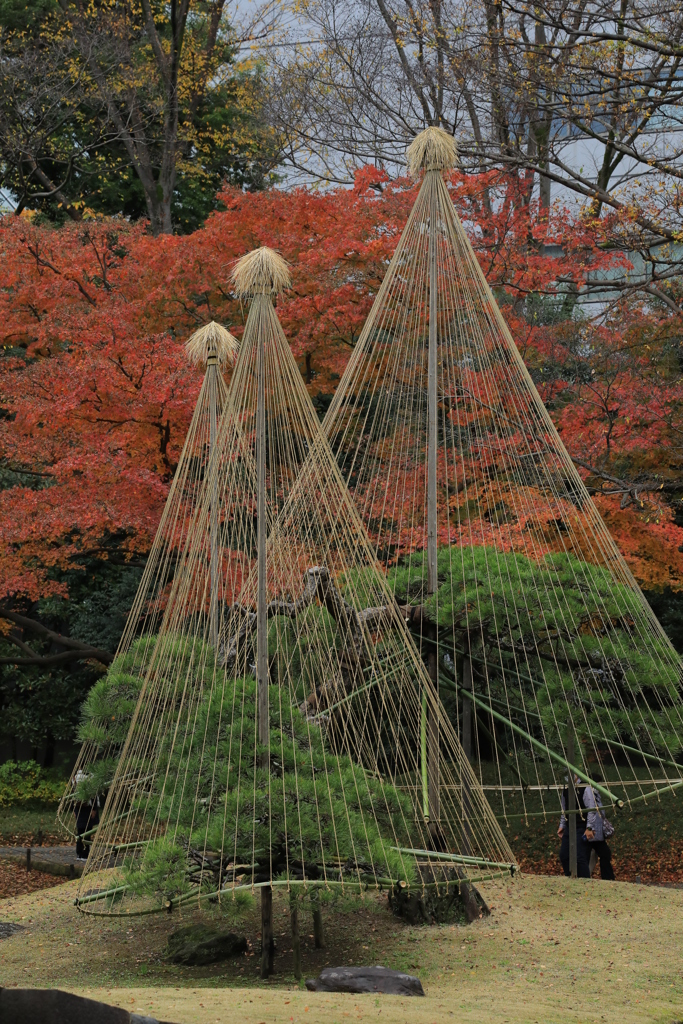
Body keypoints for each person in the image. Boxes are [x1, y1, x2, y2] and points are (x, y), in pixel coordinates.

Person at [582, 775, 615, 881]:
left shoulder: (596, 795)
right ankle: (584, 876)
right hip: (591, 831)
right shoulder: (588, 793)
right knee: (588, 855)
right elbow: (591, 811)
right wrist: (590, 827)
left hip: (597, 833)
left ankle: (607, 877)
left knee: (604, 854)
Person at [558, 775, 591, 878]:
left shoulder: (585, 787)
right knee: (564, 855)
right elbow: (564, 809)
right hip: (569, 826)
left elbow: (592, 809)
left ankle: (585, 880)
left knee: (579, 856)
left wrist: (589, 827)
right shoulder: (566, 789)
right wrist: (562, 825)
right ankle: (570, 877)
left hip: (581, 826)